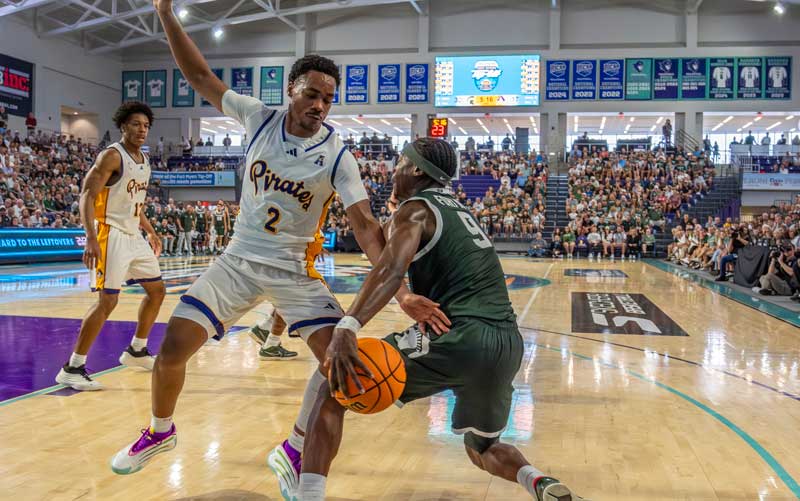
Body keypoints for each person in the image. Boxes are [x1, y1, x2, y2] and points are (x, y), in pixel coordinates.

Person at [111, 0, 444, 475]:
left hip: (294, 270)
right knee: (170, 350)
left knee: (340, 362)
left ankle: (294, 446)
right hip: (236, 263)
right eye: (311, 94)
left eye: (328, 100)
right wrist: (165, 12)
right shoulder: (257, 117)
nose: (319, 106)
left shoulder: (337, 155)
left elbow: (367, 227)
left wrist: (404, 293)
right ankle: (160, 430)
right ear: (292, 90)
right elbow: (201, 77)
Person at [291, 137, 587, 501]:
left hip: (460, 336)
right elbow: (381, 242)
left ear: (415, 169)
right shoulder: (455, 210)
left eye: (400, 163)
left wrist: (348, 326)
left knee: (336, 385)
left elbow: (389, 270)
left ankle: (307, 495)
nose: (393, 170)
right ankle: (538, 481)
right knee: (482, 448)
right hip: (507, 344)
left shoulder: (415, 210)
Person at [55, 102, 166, 391]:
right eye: (135, 124)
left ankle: (137, 350)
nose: (141, 130)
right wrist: (91, 238)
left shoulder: (143, 159)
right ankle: (73, 367)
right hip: (110, 233)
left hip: (133, 234)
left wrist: (151, 231)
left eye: (145, 125)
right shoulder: (111, 156)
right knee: (108, 301)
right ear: (123, 126)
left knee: (157, 291)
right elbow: (87, 196)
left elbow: (135, 204)